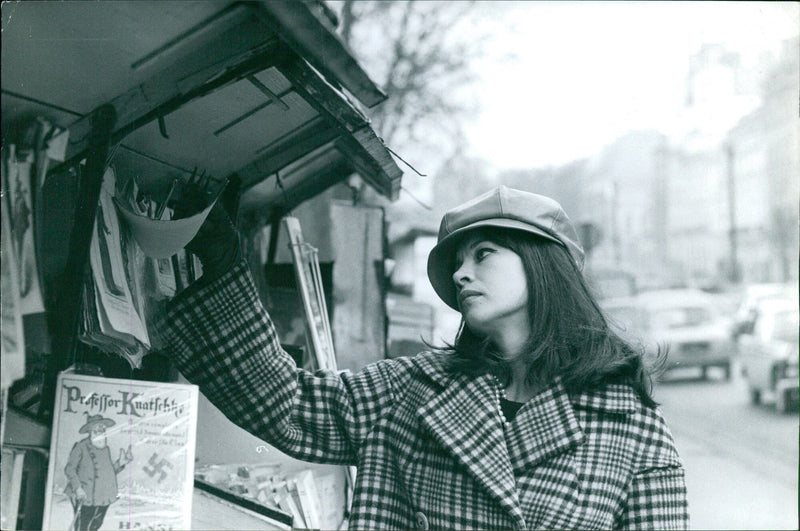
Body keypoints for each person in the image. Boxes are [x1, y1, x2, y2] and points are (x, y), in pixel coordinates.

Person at [158, 185, 689, 530]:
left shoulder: (631, 428)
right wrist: (225, 265)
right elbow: (285, 403)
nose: (460, 275)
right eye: (457, 262)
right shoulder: (409, 390)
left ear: (543, 267)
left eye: (484, 255)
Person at [64, 414, 133, 531]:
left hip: (104, 496)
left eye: (103, 429)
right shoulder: (80, 447)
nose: (101, 431)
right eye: (97, 429)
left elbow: (107, 472)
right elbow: (69, 469)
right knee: (83, 527)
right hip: (85, 495)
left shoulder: (106, 449)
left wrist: (121, 463)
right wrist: (78, 488)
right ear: (90, 431)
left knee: (96, 524)